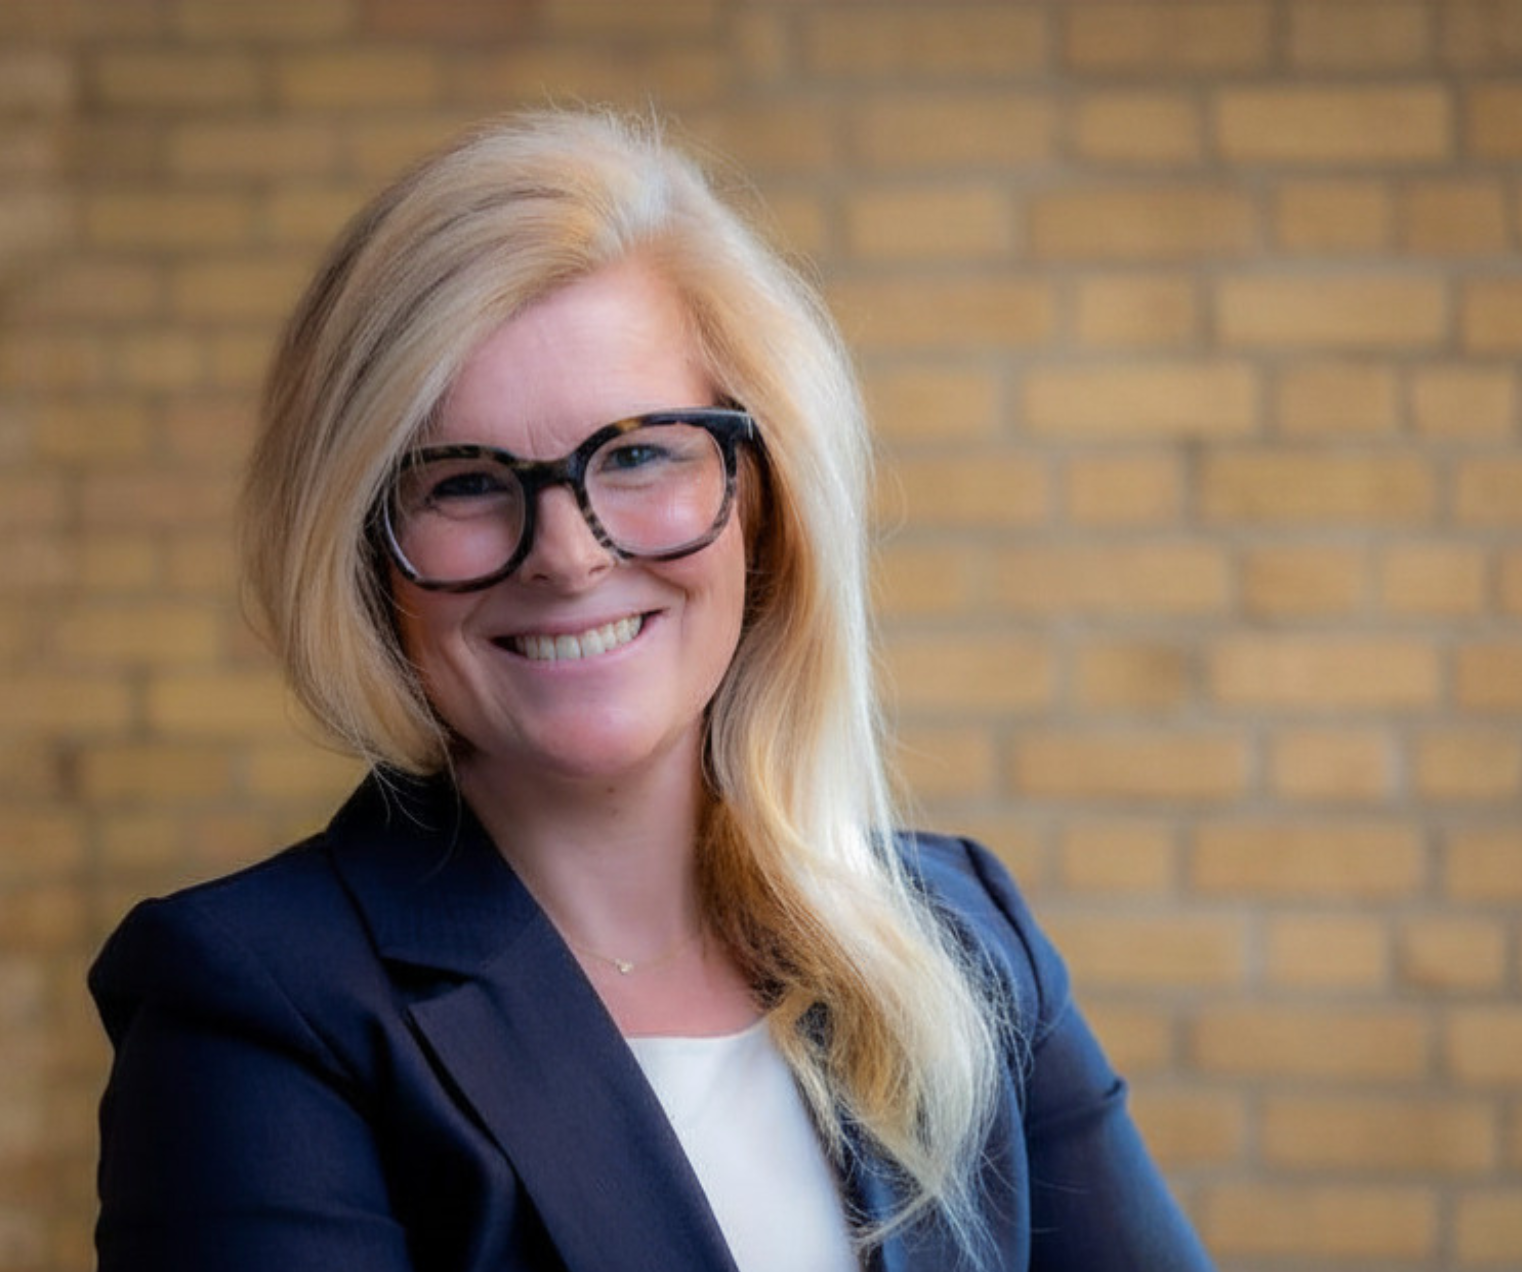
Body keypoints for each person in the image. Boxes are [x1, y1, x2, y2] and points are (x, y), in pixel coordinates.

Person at [89, 108, 1214, 1272]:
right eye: (466, 481)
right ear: (367, 549)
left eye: (638, 455)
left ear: (763, 496)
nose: (567, 555)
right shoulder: (257, 1004)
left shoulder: (962, 938)